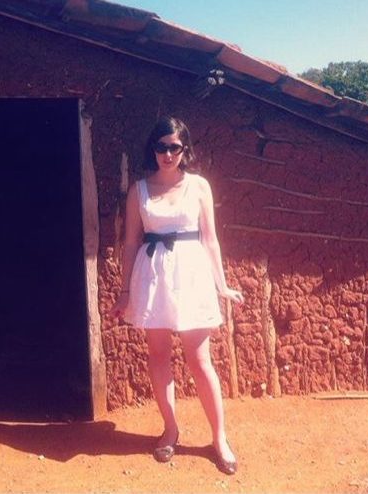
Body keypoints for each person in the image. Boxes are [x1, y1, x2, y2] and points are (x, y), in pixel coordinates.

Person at [110, 116, 244, 475]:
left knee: (199, 360)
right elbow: (131, 243)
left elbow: (210, 240)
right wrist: (124, 291)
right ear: (152, 149)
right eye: (161, 147)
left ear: (185, 149)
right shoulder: (139, 191)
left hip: (191, 276)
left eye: (174, 147)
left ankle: (219, 438)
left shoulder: (198, 186)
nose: (167, 154)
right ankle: (170, 429)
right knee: (159, 356)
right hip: (153, 277)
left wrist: (222, 285)